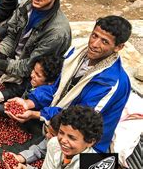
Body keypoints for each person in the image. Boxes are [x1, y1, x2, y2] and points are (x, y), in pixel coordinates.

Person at [8, 16, 132, 153]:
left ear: (118, 47)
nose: (94, 44)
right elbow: (57, 88)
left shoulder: (111, 83)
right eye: (94, 35)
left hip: (85, 139)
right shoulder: (76, 54)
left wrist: (38, 114)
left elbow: (81, 120)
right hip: (60, 119)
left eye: (104, 41)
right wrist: (29, 103)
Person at [0, 54, 64, 117]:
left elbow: (19, 109)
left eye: (38, 75)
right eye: (33, 70)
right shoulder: (34, 82)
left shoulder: (44, 94)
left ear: (50, 82)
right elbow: (16, 90)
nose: (32, 75)